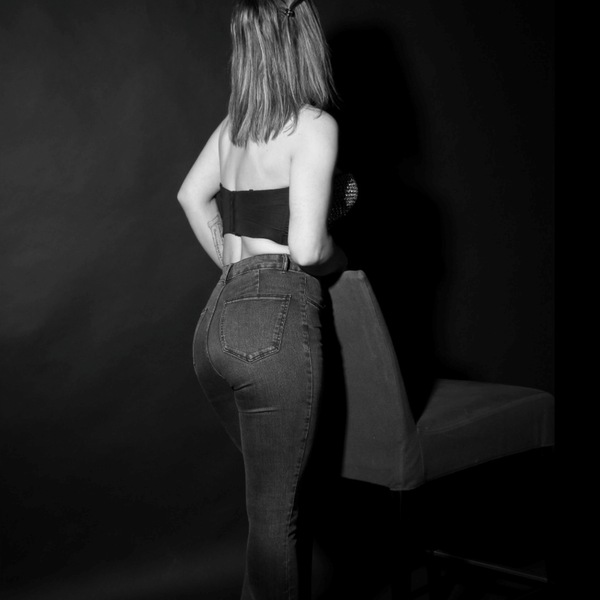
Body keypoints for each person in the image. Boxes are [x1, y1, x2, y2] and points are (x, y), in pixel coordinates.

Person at [177, 1, 347, 598]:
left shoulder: (233, 128)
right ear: (305, 44)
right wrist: (342, 260)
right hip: (273, 329)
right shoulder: (314, 125)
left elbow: (190, 196)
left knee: (273, 508)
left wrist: (238, 269)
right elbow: (307, 249)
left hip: (215, 327)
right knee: (278, 517)